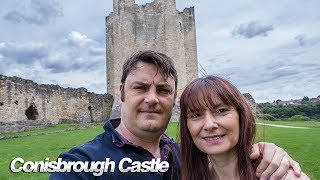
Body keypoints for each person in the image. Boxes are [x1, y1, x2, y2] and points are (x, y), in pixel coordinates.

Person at [50, 50, 302, 179]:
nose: (152, 98)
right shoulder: (79, 165)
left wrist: (268, 152)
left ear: (173, 98)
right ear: (121, 93)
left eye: (163, 90)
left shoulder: (186, 157)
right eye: (140, 87)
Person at [179, 75, 310, 180]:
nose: (209, 125)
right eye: (196, 115)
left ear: (241, 116)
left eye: (221, 111)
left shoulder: (282, 176)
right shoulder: (195, 175)